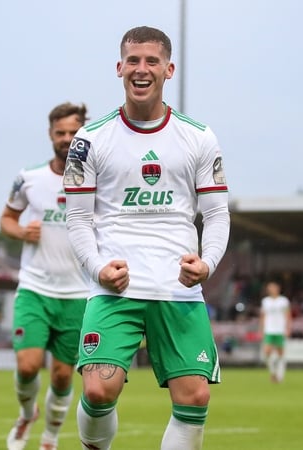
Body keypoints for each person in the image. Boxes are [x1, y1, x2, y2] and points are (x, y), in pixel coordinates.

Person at [63, 26, 230, 450]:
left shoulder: (199, 137)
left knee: (196, 397)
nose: (142, 70)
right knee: (99, 390)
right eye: (133, 61)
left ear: (168, 69)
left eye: (152, 61)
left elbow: (216, 213)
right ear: (119, 68)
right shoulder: (89, 140)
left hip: (178, 288)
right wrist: (99, 269)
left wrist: (206, 262)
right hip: (115, 287)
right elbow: (78, 218)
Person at [0, 102, 90, 450]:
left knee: (63, 375)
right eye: (60, 133)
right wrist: (21, 232)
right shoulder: (29, 179)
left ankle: (50, 438)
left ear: (83, 135)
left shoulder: (97, 182)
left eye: (73, 133)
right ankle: (26, 415)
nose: (66, 139)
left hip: (78, 293)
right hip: (35, 288)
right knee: (27, 366)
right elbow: (6, 218)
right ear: (51, 135)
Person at [259, 281, 291, 383]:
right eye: (270, 288)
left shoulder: (283, 301)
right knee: (267, 352)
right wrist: (261, 329)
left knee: (280, 353)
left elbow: (288, 315)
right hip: (269, 329)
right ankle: (273, 372)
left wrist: (288, 328)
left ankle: (280, 375)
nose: (271, 290)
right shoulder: (265, 301)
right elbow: (263, 316)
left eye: (273, 287)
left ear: (278, 288)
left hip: (280, 329)